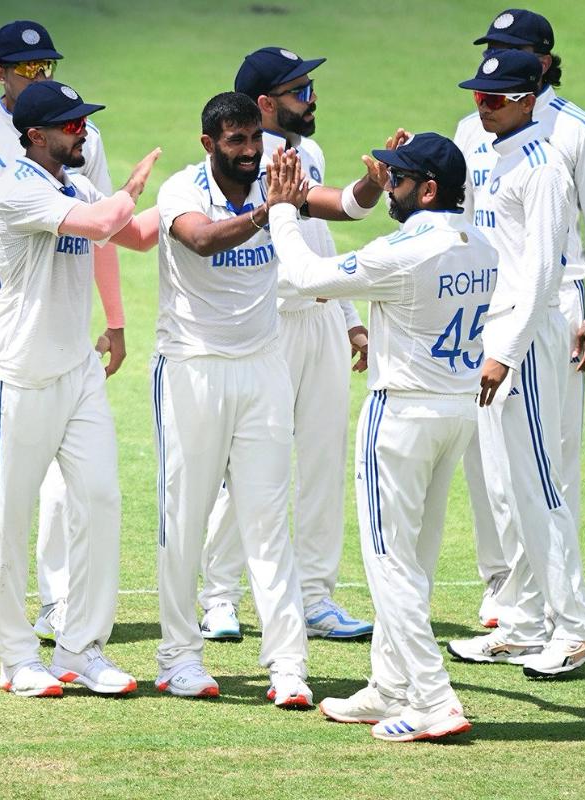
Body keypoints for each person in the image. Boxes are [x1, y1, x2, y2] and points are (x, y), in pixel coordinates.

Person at [150, 92, 382, 706]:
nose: (252, 152)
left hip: (262, 368)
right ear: (209, 145)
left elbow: (340, 209)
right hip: (192, 368)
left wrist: (370, 185)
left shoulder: (275, 179)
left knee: (266, 521)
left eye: (256, 139)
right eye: (238, 142)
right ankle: (178, 657)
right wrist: (267, 213)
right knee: (185, 517)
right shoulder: (180, 191)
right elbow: (202, 241)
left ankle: (287, 666)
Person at [266, 133, 497, 741]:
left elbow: (308, 273)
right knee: (414, 559)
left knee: (389, 564)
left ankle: (432, 698)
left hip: (400, 416)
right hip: (458, 413)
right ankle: (389, 686)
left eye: (397, 180)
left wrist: (284, 208)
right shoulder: (482, 244)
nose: (387, 187)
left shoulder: (403, 252)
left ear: (427, 189)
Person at [0, 20, 127, 639]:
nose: (40, 75)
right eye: (27, 69)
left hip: (57, 310)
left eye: (47, 66)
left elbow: (98, 228)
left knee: (64, 474)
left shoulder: (77, 134)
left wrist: (115, 318)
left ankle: (56, 597)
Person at [0, 80, 161, 697]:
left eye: (83, 122)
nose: (82, 130)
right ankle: (16, 659)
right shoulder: (16, 189)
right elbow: (108, 218)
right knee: (12, 520)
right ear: (37, 136)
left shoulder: (75, 184)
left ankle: (81, 647)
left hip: (78, 373)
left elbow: (130, 235)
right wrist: (131, 190)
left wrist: (208, 192)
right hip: (21, 376)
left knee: (100, 500)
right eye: (70, 125)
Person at [195, 47, 375, 642]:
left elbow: (318, 240)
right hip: (270, 324)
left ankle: (316, 595)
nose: (312, 98)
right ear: (266, 103)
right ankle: (219, 596)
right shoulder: (244, 163)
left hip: (320, 321)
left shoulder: (308, 152)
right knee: (250, 465)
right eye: (300, 90)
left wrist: (347, 314)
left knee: (323, 462)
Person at [445, 50, 585, 678]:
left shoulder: (542, 167)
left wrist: (504, 353)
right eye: (477, 97)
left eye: (493, 98)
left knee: (540, 481)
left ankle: (578, 628)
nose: (480, 107)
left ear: (526, 98)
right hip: (502, 326)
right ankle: (519, 621)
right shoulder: (501, 152)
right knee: (507, 486)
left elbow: (543, 271)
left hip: (529, 334)